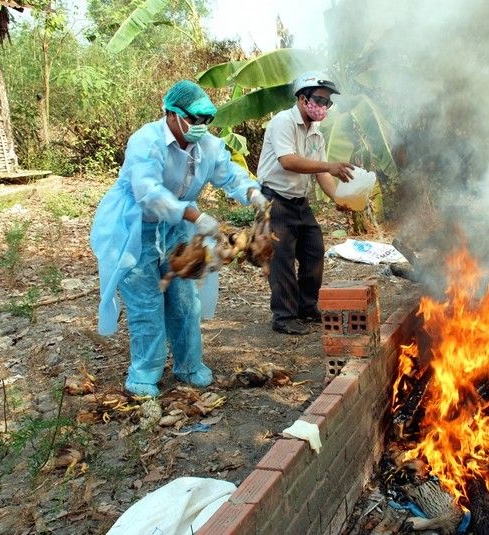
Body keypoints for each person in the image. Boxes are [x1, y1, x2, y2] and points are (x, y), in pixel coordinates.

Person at [90, 80, 267, 397]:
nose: (201, 126)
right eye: (195, 119)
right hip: (133, 228)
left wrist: (252, 192)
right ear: (172, 113)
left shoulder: (208, 146)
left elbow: (228, 173)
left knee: (185, 299)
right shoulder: (147, 141)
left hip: (175, 231)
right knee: (147, 304)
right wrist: (196, 217)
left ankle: (189, 366)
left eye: (206, 120)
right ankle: (144, 373)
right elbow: (148, 192)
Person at [257, 71, 355, 335]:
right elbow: (288, 161)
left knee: (314, 250)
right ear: (302, 99)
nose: (323, 107)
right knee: (282, 258)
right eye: (319, 100)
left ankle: (307, 306)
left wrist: (337, 198)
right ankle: (284, 316)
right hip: (273, 199)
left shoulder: (316, 133)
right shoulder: (283, 122)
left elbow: (321, 172)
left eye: (327, 103)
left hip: (299, 201)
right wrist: (329, 165)